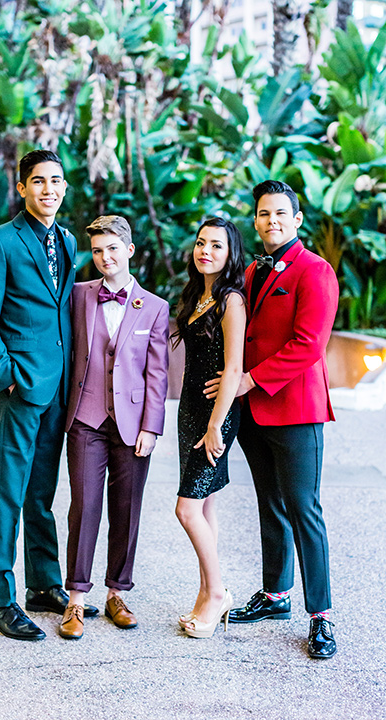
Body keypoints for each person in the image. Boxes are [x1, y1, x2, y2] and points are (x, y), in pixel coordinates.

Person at [0, 149, 97, 641]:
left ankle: (44, 583)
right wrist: (8, 376)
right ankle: (0, 599)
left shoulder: (65, 239)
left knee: (42, 493)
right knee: (10, 493)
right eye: (38, 181)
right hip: (21, 390)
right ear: (21, 188)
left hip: (59, 390)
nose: (49, 189)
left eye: (57, 181)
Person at [206, 180, 339, 658]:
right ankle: (276, 595)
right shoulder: (249, 272)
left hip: (296, 409)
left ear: (297, 219)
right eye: (263, 214)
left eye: (280, 213)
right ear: (256, 219)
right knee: (270, 503)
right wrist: (224, 380)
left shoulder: (315, 271)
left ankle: (321, 615)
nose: (271, 221)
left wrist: (247, 380)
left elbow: (308, 345)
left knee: (305, 509)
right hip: (254, 413)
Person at [58, 215, 170, 640]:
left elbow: (157, 375)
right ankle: (76, 598)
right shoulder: (77, 295)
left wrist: (152, 427)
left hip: (132, 424)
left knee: (127, 508)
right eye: (98, 251)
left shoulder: (154, 307)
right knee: (83, 507)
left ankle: (117, 592)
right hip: (85, 419)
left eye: (112, 249)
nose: (105, 258)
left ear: (129, 250)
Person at [172, 217, 246, 639]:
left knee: (186, 508)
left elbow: (233, 367)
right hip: (189, 412)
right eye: (201, 243)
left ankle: (218, 593)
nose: (206, 251)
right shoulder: (197, 295)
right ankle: (205, 592)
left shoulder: (230, 300)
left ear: (230, 253)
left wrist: (216, 424)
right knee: (205, 507)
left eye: (217, 246)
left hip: (214, 416)